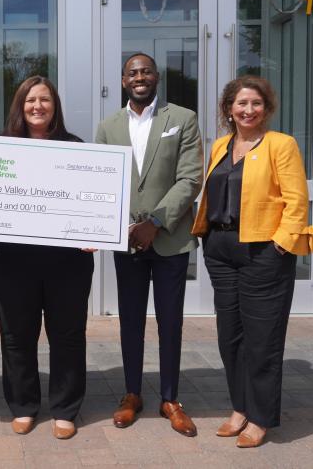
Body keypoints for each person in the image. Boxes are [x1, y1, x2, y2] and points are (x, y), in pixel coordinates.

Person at [192, 75, 313, 448]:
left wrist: (280, 244)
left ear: (267, 108)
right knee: (230, 338)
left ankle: (261, 417)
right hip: (221, 250)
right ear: (228, 109)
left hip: (264, 252)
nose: (248, 110)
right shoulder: (220, 145)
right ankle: (240, 407)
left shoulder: (281, 145)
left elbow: (297, 200)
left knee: (262, 340)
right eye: (241, 103)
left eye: (256, 104)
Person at [95, 53, 203, 437]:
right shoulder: (107, 126)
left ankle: (170, 398)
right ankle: (132, 394)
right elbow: (101, 182)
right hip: (126, 242)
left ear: (156, 77)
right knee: (130, 323)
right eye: (132, 72)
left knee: (170, 323)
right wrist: (116, 227)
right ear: (123, 81)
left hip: (170, 239)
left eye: (146, 71)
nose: (139, 77)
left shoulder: (183, 119)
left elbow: (190, 179)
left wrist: (155, 222)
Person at [0, 76, 95, 440]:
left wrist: (95, 231)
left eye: (44, 100)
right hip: (12, 261)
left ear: (54, 106)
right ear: (20, 105)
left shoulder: (75, 146)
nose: (37, 106)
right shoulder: (0, 147)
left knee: (67, 335)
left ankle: (65, 408)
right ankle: (23, 405)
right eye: (30, 100)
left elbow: (90, 201)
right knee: (17, 335)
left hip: (67, 263)